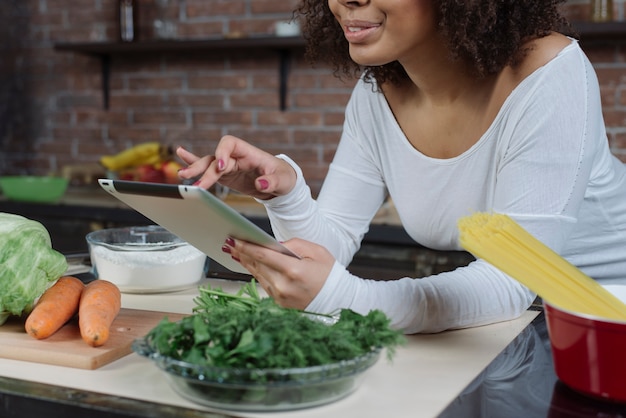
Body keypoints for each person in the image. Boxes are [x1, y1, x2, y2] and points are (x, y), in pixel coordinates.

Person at [176, 0, 626, 333]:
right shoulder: (378, 96)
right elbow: (330, 242)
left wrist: (348, 299)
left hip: (608, 320)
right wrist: (283, 190)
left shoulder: (549, 73)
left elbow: (511, 282)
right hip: (518, 329)